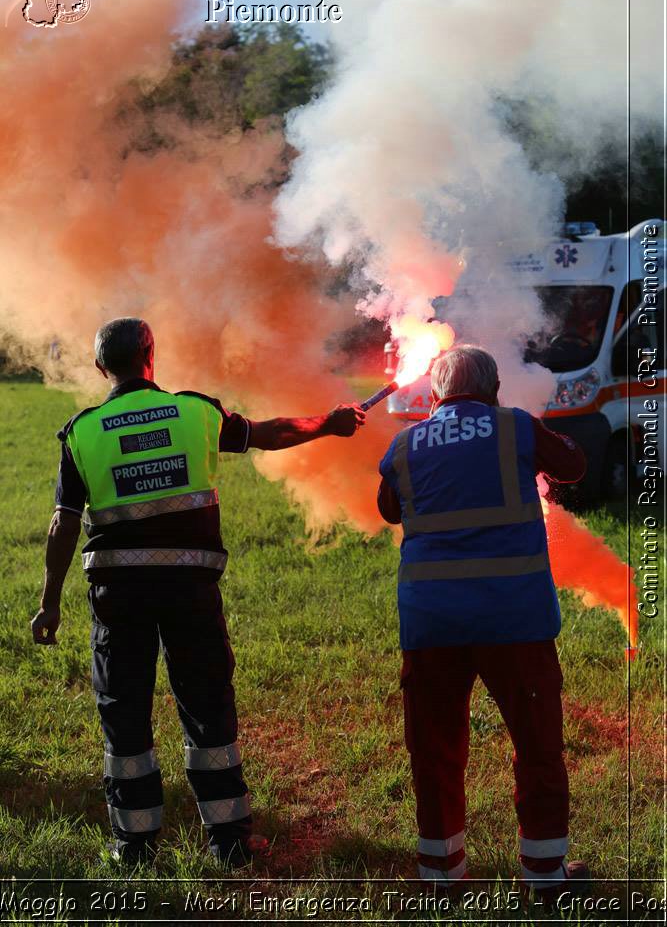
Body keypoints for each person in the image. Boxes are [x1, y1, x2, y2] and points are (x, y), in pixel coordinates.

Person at [31, 317, 365, 868]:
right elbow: (268, 433)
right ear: (150, 353)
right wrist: (328, 425)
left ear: (100, 368)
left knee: (124, 708)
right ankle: (230, 840)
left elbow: (63, 524)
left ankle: (134, 844)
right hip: (191, 588)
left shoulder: (84, 430)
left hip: (119, 595)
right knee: (208, 704)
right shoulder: (194, 411)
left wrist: (49, 603)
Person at [377, 344, 589, 902]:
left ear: (436, 393)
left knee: (435, 747)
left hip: (431, 624)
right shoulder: (515, 427)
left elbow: (388, 509)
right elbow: (572, 465)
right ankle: (545, 878)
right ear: (493, 389)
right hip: (512, 618)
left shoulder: (404, 443)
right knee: (536, 744)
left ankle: (442, 878)